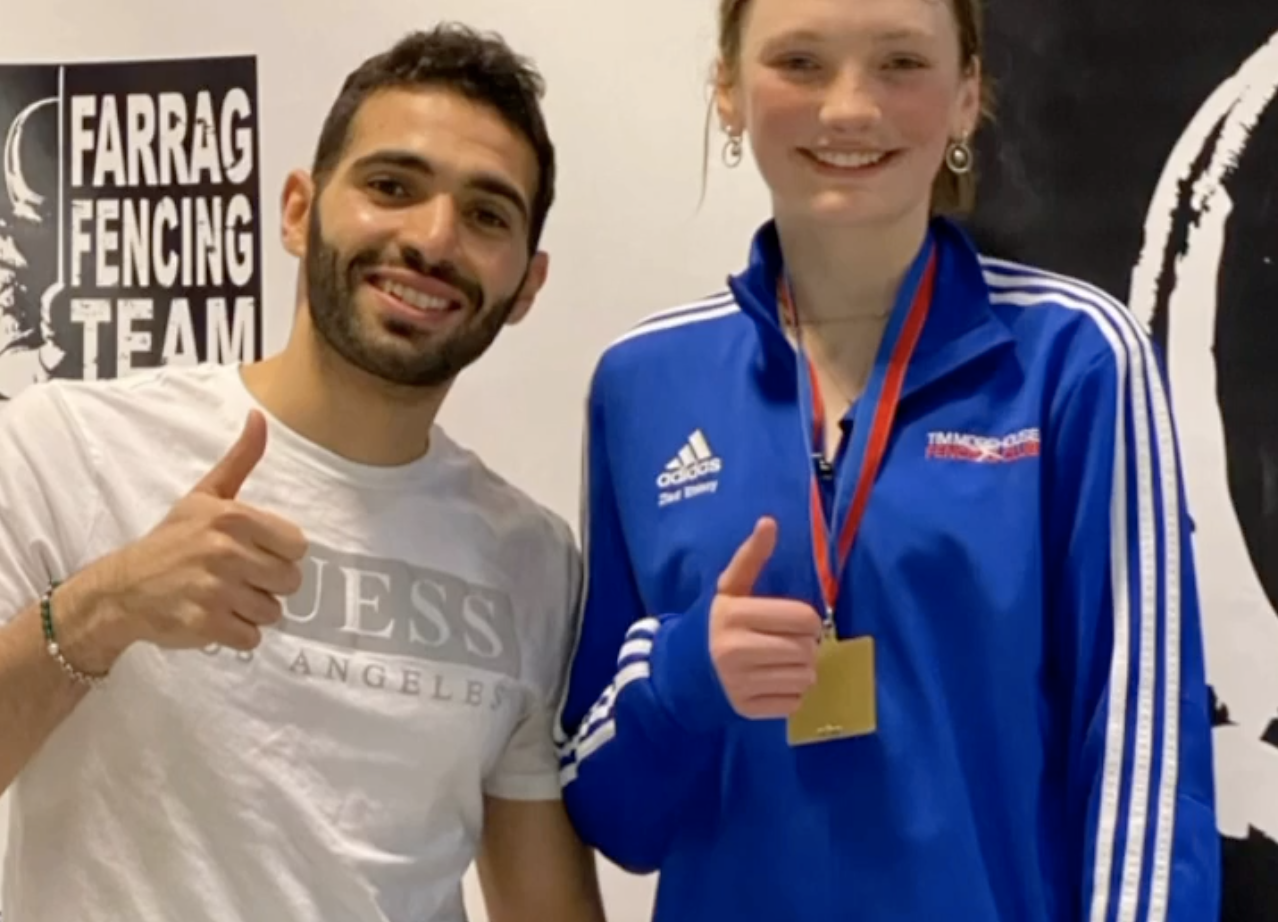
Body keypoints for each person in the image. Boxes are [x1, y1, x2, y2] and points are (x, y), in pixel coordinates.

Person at [553, 0, 1220, 919]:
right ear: (728, 89)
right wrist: (684, 679)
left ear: (967, 95)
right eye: (800, 62)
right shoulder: (641, 383)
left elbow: (1144, 766)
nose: (850, 109)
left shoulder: (1076, 358)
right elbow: (613, 816)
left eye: (901, 63)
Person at [0, 24, 604, 922]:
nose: (433, 239)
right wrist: (102, 611)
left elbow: (545, 906)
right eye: (391, 186)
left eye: (487, 215)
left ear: (527, 285)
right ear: (296, 210)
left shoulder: (532, 558)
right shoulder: (71, 444)